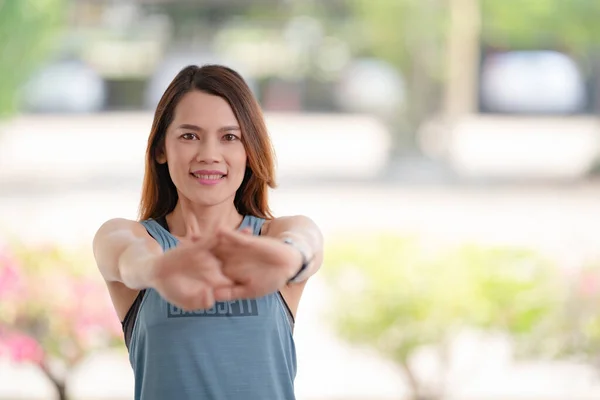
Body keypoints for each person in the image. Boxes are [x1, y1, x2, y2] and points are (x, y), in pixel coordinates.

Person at [92, 64, 324, 400]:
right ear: (161, 149)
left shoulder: (276, 237)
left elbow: (307, 243)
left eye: (230, 137)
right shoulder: (131, 238)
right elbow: (128, 259)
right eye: (189, 136)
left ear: (249, 151)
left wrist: (287, 259)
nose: (209, 155)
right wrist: (159, 270)